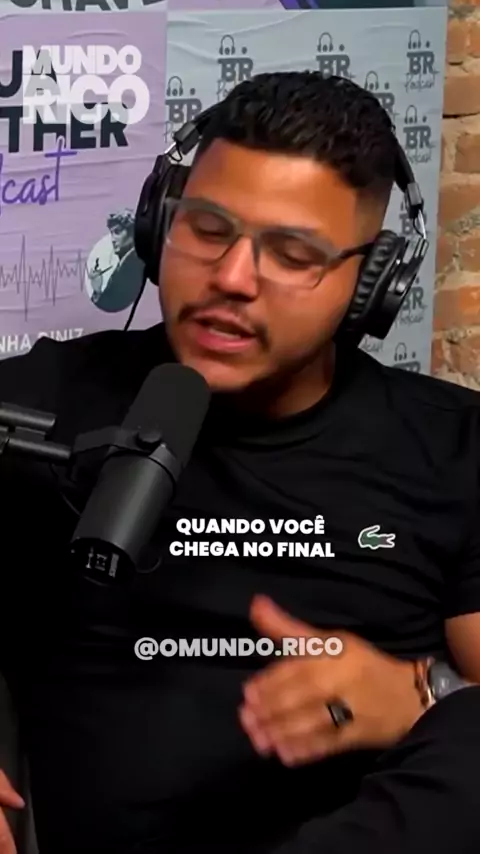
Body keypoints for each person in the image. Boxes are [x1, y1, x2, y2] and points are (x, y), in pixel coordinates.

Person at [1, 71, 480, 854]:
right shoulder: (40, 404)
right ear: (159, 222)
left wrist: (425, 692)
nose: (231, 279)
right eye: (208, 228)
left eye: (293, 254)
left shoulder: (452, 447)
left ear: (374, 284)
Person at [88, 209, 145, 313]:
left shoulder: (131, 266)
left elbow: (114, 304)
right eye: (112, 233)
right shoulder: (124, 264)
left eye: (117, 232)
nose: (113, 240)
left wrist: (97, 291)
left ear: (132, 233)